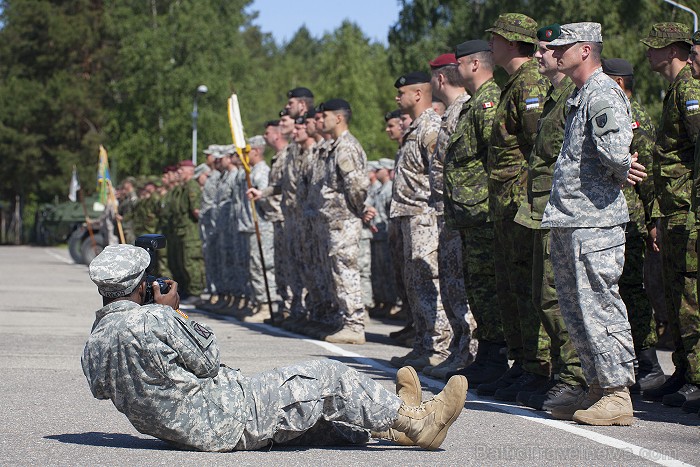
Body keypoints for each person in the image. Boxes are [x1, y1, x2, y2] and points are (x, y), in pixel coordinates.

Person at [81, 244, 468, 452]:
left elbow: (105, 390)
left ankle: (395, 425)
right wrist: (176, 313)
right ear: (140, 283)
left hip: (183, 430)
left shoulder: (95, 342)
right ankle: (420, 423)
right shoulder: (154, 319)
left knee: (319, 422)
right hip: (225, 417)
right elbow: (209, 363)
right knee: (326, 376)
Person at [541, 22, 646, 426]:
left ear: (585, 50)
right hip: (572, 219)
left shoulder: (602, 92)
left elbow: (617, 151)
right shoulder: (580, 94)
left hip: (595, 221)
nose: (555, 50)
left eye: (563, 45)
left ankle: (618, 392)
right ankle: (598, 387)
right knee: (576, 309)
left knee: (599, 304)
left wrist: (622, 168)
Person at [513, 24, 585, 411]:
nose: (538, 55)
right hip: (543, 210)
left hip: (562, 212)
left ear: (564, 55)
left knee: (559, 297)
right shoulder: (554, 99)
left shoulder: (576, 97)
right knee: (545, 298)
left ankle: (574, 378)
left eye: (545, 50)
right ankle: (563, 375)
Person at [480, 13, 552, 400]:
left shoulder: (530, 83)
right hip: (506, 204)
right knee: (511, 287)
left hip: (522, 202)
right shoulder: (515, 84)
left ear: (510, 41)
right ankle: (522, 363)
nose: (490, 44)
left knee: (527, 287)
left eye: (495, 38)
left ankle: (538, 369)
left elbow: (538, 144)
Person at [641, 22, 700, 407]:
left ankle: (697, 377)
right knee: (678, 294)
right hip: (675, 209)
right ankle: (683, 371)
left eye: (655, 47)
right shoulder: (676, 90)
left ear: (673, 50)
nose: (648, 53)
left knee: (691, 296)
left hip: (689, 211)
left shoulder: (690, 89)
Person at [444, 40, 506, 384]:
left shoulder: (488, 101)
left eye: (458, 64)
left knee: (488, 285)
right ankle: (488, 355)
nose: (454, 71)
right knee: (478, 286)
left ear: (473, 65)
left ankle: (496, 358)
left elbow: (495, 159)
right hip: (471, 214)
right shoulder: (472, 104)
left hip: (484, 212)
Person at [602, 57, 665, 394]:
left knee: (632, 293)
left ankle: (649, 362)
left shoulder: (633, 114)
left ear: (621, 83)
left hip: (631, 219)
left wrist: (654, 221)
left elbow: (650, 176)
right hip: (608, 216)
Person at [389, 72, 451, 370]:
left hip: (424, 217)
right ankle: (423, 343)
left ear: (417, 94)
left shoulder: (429, 127)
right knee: (415, 285)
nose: (396, 98)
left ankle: (439, 345)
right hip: (408, 217)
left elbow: (439, 173)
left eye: (401, 93)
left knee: (429, 282)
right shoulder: (414, 128)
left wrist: (439, 213)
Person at [426, 53, 475, 379]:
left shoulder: (465, 110)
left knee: (461, 287)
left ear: (440, 79)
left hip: (460, 211)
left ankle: (469, 352)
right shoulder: (452, 113)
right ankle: (460, 349)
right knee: (452, 286)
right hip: (448, 212)